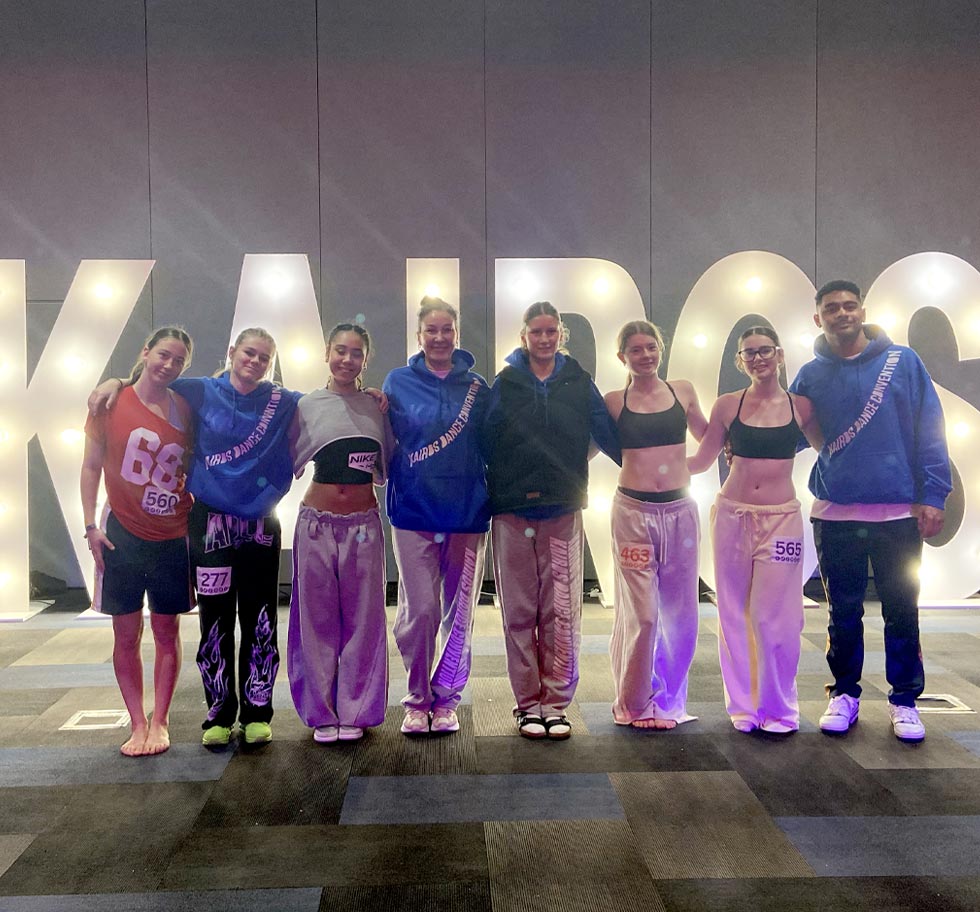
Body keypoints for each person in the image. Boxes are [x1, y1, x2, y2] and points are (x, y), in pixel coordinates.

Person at [90, 328, 302, 747]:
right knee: (215, 620)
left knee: (260, 620)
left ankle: (257, 713)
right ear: (232, 352)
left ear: (271, 364)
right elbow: (145, 380)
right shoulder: (199, 390)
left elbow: (330, 401)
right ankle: (219, 715)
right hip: (209, 524)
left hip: (260, 525)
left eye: (264, 357)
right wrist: (113, 382)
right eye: (249, 353)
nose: (254, 362)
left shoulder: (283, 401)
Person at [790, 280, 951, 742]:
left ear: (862, 310)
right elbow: (793, 431)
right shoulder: (809, 376)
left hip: (899, 511)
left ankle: (904, 701)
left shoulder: (903, 361)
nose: (841, 313)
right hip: (835, 511)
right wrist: (741, 445)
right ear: (817, 318)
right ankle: (844, 693)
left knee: (902, 610)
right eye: (830, 308)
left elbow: (930, 429)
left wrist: (934, 494)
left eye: (848, 305)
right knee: (842, 611)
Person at [484, 301, 620, 740]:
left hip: (563, 510)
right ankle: (527, 704)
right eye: (536, 331)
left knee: (560, 611)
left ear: (561, 334)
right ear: (523, 336)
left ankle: (556, 703)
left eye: (551, 331)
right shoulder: (504, 383)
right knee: (519, 612)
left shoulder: (579, 382)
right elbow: (484, 442)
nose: (544, 338)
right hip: (510, 511)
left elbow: (607, 436)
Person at [688, 326, 820, 733]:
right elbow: (701, 460)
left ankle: (779, 708)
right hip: (732, 516)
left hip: (781, 518)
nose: (758, 358)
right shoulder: (727, 405)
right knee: (733, 612)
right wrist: (644, 464)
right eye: (750, 353)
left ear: (780, 355)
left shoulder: (802, 407)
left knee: (775, 617)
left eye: (765, 351)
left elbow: (831, 450)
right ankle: (744, 707)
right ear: (740, 361)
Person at [80, 327, 195, 756]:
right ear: (146, 352)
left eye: (178, 360)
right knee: (125, 631)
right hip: (121, 536)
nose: (168, 365)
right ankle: (137, 722)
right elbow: (91, 466)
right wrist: (91, 526)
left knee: (167, 630)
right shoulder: (111, 402)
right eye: (163, 355)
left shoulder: (185, 407)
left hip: (172, 535)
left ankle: (161, 721)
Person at [383, 298, 491, 736]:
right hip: (412, 511)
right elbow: (384, 439)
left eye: (447, 329)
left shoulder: (479, 387)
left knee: (459, 612)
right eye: (432, 330)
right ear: (419, 335)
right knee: (422, 609)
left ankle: (447, 699)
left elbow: (494, 445)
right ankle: (416, 699)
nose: (440, 337)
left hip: (467, 512)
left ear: (457, 333)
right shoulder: (397, 381)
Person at [288, 323, 391, 744]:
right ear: (326, 353)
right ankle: (321, 712)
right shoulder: (306, 405)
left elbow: (389, 466)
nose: (347, 360)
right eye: (340, 351)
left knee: (364, 621)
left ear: (366, 360)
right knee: (316, 620)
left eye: (356, 354)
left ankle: (356, 709)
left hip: (364, 525)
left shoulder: (378, 407)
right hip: (316, 524)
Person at [604, 320, 707, 730]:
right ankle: (633, 703)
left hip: (680, 511)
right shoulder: (614, 401)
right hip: (632, 513)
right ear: (622, 357)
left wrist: (691, 467)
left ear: (660, 350)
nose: (645, 356)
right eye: (636, 350)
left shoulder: (682, 390)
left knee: (681, 613)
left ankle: (668, 701)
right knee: (643, 615)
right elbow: (587, 446)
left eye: (651, 347)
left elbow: (713, 436)